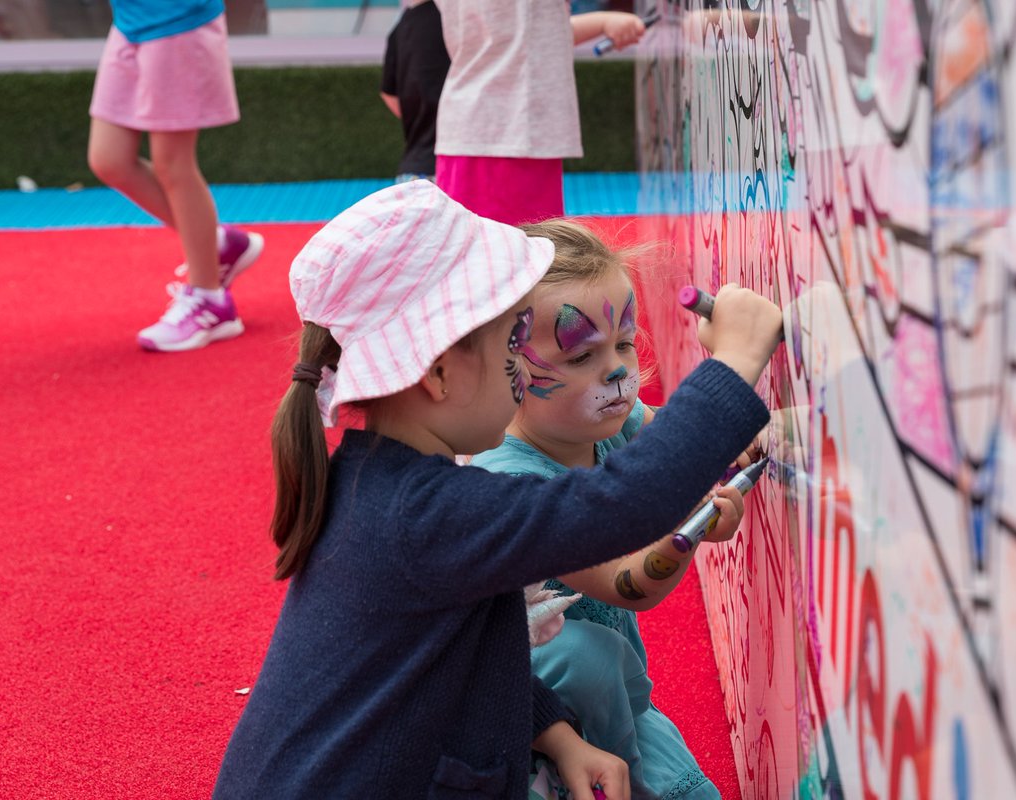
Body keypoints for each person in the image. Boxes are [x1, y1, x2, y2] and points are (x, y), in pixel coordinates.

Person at [211, 180, 782, 798]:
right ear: (437, 373)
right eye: (512, 343)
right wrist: (735, 362)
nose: (520, 370)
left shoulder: (376, 482)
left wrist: (557, 734)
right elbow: (623, 505)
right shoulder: (431, 515)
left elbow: (454, 659)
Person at [472, 220, 746, 799]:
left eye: (623, 343)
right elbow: (631, 583)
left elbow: (688, 444)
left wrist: (724, 473)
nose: (618, 371)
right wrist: (736, 363)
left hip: (620, 707)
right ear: (507, 367)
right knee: (586, 655)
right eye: (582, 356)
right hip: (532, 733)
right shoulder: (506, 481)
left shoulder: (608, 426)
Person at [87, 0, 264, 352]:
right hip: (129, 22)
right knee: (109, 160)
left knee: (173, 163)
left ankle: (211, 301)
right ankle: (216, 243)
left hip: (178, 21)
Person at [433, 1, 648, 225]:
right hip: (509, 133)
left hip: (489, 131)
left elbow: (531, 32)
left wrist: (602, 22)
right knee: (524, 253)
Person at [379, 0, 450, 184]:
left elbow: (388, 93)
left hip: (413, 172)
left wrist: (418, 115)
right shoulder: (456, 18)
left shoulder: (401, 27)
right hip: (457, 168)